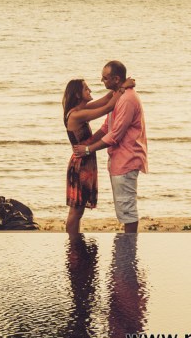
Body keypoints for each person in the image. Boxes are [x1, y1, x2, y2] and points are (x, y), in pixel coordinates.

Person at [72, 60, 147, 233]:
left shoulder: (126, 100)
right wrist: (87, 143)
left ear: (116, 78)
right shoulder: (119, 96)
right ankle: (126, 252)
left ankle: (128, 253)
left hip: (127, 160)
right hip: (119, 161)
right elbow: (107, 126)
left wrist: (89, 148)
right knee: (123, 208)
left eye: (105, 78)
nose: (101, 81)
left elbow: (115, 135)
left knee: (127, 210)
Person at [62, 76, 135, 236]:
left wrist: (121, 85)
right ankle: (73, 245)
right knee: (76, 210)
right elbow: (108, 107)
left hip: (85, 161)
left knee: (78, 209)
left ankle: (74, 242)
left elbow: (108, 98)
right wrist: (123, 88)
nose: (90, 90)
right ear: (77, 95)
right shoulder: (76, 115)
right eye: (86, 89)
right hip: (81, 163)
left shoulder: (81, 109)